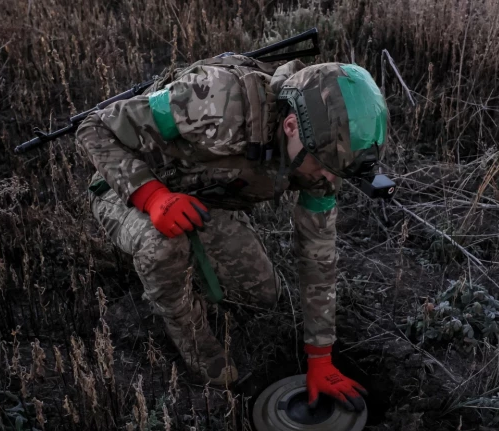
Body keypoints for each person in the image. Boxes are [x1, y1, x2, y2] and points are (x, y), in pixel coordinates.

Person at [76, 53, 388, 412]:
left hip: (204, 201)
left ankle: (193, 256)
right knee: (162, 245)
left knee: (264, 296)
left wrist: (320, 355)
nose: (328, 180)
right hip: (126, 189)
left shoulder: (326, 155)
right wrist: (152, 196)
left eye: (339, 172)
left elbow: (317, 256)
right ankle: (194, 342)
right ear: (290, 126)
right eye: (325, 167)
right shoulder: (215, 100)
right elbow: (94, 128)